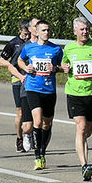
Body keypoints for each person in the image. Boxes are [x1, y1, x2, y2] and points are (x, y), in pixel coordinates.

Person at [62, 17, 92, 180]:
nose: (85, 32)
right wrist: (65, 67)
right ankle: (84, 165)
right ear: (75, 31)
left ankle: (85, 149)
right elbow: (64, 64)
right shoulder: (69, 48)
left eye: (87, 29)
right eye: (81, 29)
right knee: (81, 128)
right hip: (75, 92)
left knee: (88, 131)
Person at [17, 20, 63, 170]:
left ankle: (43, 150)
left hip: (49, 90)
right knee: (37, 121)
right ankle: (38, 155)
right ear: (36, 32)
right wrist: (26, 67)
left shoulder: (56, 49)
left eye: (48, 30)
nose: (46, 33)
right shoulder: (29, 48)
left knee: (47, 123)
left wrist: (55, 68)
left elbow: (64, 67)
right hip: (33, 88)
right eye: (43, 30)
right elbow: (19, 60)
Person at [0, 19, 35, 152]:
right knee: (20, 111)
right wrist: (10, 65)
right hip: (17, 80)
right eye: (25, 34)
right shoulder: (13, 43)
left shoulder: (34, 43)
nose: (27, 37)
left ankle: (30, 135)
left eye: (28, 34)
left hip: (31, 79)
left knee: (33, 111)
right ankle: (19, 138)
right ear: (21, 31)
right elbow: (1, 61)